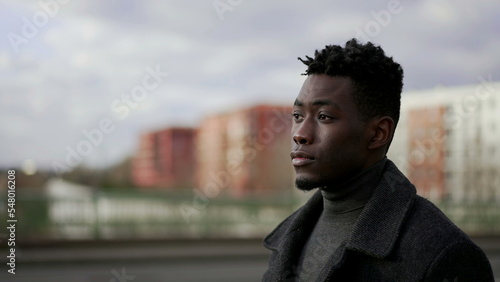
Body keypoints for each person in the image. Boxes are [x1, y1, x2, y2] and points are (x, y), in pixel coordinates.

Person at [262, 39, 494, 281]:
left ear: (378, 133)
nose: (300, 133)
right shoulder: (290, 236)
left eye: (324, 116)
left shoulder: (443, 253)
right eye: (298, 115)